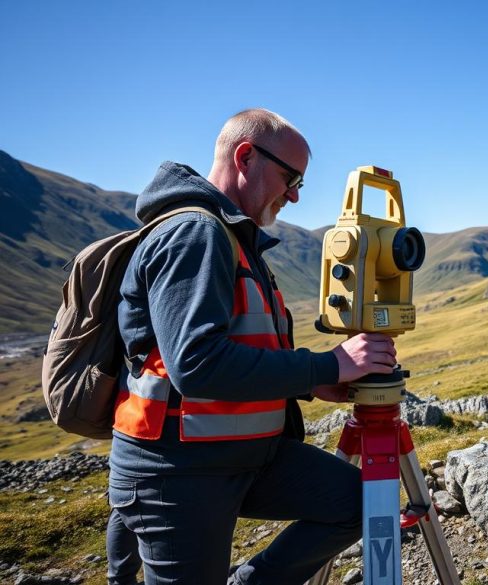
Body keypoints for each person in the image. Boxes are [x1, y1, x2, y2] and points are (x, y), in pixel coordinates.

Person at [106, 108, 395, 585]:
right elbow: (197, 365)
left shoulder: (235, 238)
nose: (296, 195)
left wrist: (313, 385)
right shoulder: (195, 234)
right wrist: (328, 366)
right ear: (245, 156)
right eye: (291, 177)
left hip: (247, 457)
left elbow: (245, 343)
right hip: (179, 474)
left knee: (358, 503)